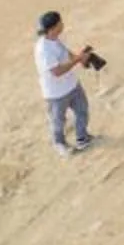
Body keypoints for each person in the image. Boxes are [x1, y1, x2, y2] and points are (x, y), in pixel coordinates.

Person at [34, 11, 97, 154]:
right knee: (58, 121)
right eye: (60, 23)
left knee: (82, 110)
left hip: (72, 85)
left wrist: (80, 58)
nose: (62, 24)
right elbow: (56, 71)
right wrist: (77, 59)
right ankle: (60, 144)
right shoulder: (44, 49)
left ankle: (82, 138)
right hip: (56, 93)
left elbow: (65, 51)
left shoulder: (55, 39)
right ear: (53, 28)